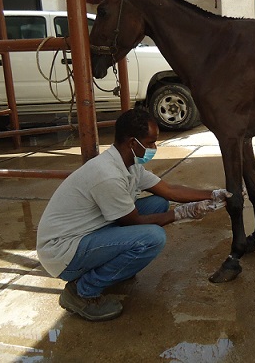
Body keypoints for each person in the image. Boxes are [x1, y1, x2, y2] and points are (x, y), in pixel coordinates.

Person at [36, 108, 230, 321]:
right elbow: (133, 220)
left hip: (86, 234)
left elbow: (169, 190)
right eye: (149, 143)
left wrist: (213, 194)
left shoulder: (129, 165)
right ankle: (82, 292)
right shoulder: (107, 175)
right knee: (152, 239)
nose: (154, 148)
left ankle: (111, 270)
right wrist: (183, 213)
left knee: (158, 203)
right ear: (131, 143)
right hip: (63, 253)